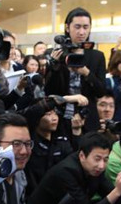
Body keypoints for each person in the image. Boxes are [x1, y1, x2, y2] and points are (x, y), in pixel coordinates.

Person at [45, 8, 107, 137]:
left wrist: (86, 73)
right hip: (60, 118)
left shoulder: (97, 56)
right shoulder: (57, 54)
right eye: (77, 27)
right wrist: (54, 66)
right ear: (67, 28)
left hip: (88, 119)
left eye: (86, 27)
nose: (81, 32)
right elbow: (49, 91)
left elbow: (101, 91)